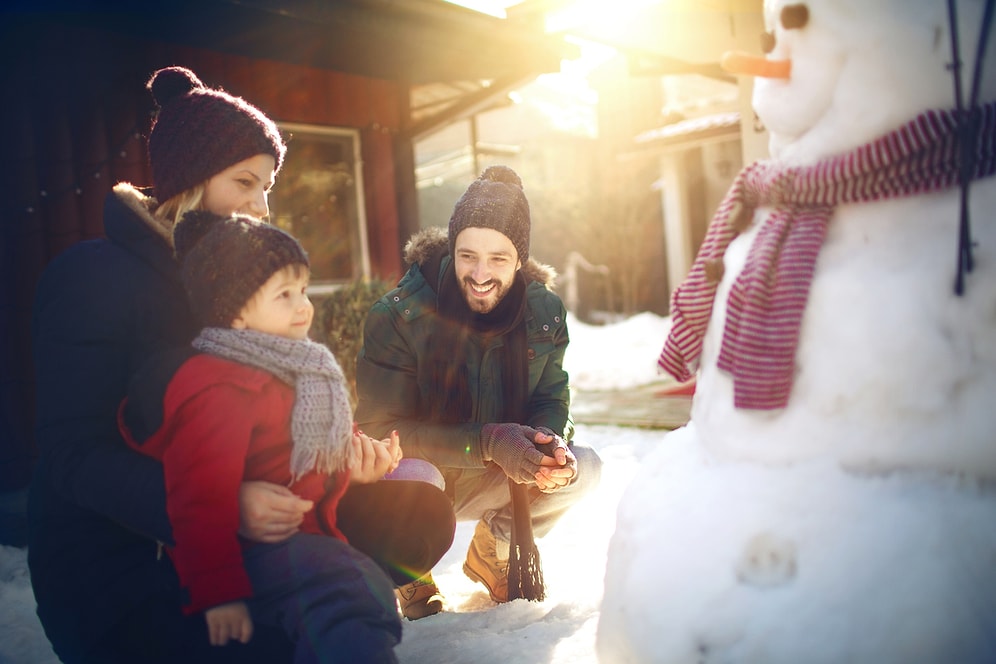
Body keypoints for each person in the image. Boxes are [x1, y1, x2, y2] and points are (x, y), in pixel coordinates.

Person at [27, 65, 449, 664]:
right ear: (190, 183)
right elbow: (73, 459)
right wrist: (225, 504)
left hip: (249, 530)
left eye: (268, 187)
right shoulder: (92, 278)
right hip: (123, 557)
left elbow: (270, 416)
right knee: (329, 594)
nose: (261, 206)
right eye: (244, 182)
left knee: (415, 503)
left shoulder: (247, 279)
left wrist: (340, 460)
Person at [117, 211, 445, 661]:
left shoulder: (302, 370)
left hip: (305, 540)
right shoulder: (219, 388)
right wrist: (218, 593)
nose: (303, 306)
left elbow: (311, 455)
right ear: (235, 314)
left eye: (304, 290)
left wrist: (358, 462)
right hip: (246, 556)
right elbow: (199, 501)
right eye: (283, 295)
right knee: (348, 590)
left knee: (351, 590)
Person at [355, 165, 604, 620]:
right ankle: (411, 572)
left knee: (583, 469)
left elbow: (552, 396)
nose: (481, 274)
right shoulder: (398, 315)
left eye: (499, 258)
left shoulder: (543, 312)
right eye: (467, 255)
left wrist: (547, 443)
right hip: (419, 478)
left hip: (491, 476)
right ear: (452, 249)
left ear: (520, 259)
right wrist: (489, 441)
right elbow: (378, 431)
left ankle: (494, 551)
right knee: (403, 472)